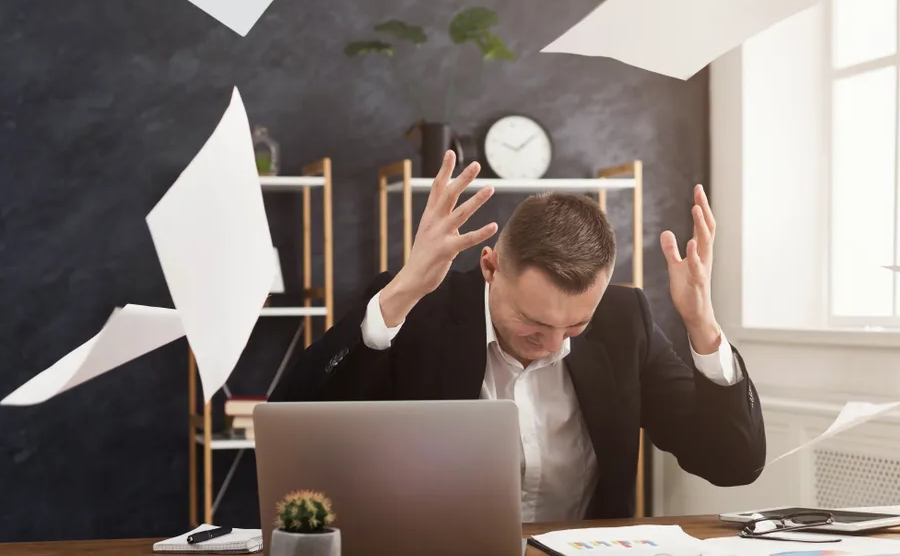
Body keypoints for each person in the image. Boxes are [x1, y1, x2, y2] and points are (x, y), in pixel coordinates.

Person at [271, 151, 765, 520]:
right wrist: (399, 295)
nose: (554, 345)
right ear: (489, 267)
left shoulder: (623, 319)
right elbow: (295, 420)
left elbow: (732, 462)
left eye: (575, 325)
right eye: (534, 322)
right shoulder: (417, 308)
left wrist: (702, 326)